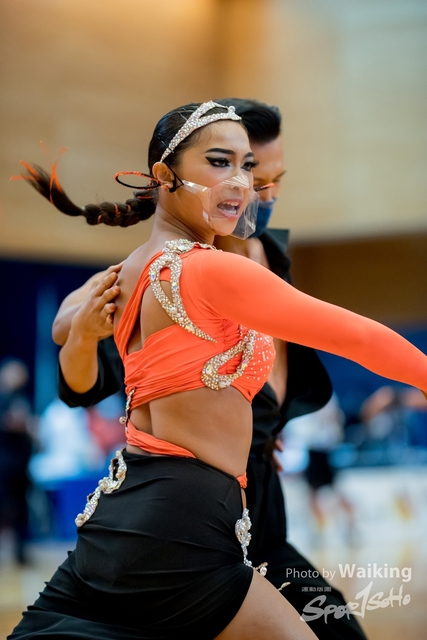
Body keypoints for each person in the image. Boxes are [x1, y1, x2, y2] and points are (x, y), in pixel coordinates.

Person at [9, 100, 427, 639]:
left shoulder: (127, 270)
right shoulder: (208, 269)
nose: (240, 182)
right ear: (164, 176)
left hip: (121, 519)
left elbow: (61, 325)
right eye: (219, 162)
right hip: (182, 527)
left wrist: (84, 331)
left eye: (247, 166)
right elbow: (357, 336)